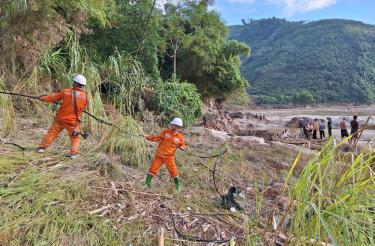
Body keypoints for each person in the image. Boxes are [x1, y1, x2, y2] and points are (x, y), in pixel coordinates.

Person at [37, 75, 89, 158]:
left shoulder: (65, 92)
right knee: (75, 137)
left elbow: (53, 98)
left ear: (75, 83)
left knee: (51, 133)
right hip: (73, 122)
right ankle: (74, 153)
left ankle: (42, 148)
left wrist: (42, 98)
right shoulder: (85, 96)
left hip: (60, 119)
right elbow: (83, 107)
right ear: (83, 85)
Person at [144, 118, 186, 191]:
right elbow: (157, 138)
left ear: (177, 126)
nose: (171, 125)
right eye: (172, 124)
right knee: (152, 169)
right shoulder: (166, 132)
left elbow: (183, 146)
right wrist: (148, 137)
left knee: (173, 171)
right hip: (159, 155)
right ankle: (147, 184)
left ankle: (178, 187)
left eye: (173, 124)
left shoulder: (180, 137)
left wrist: (182, 147)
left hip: (169, 157)